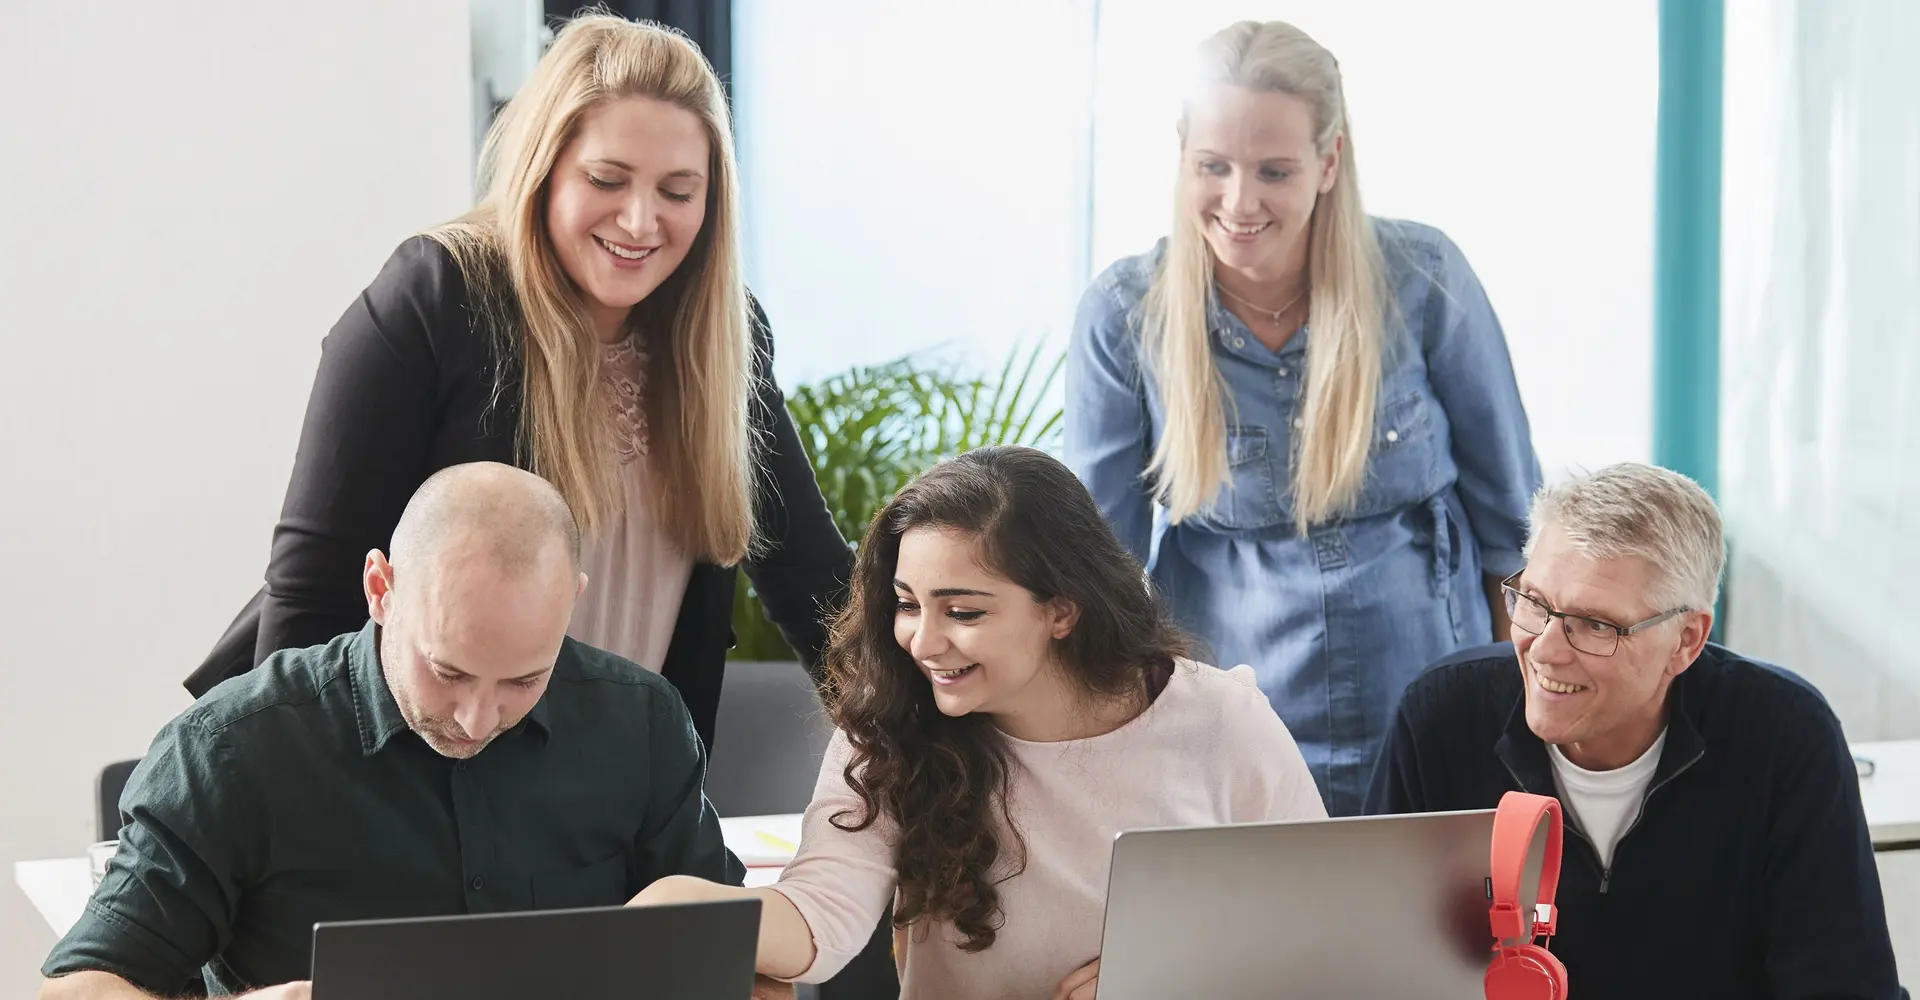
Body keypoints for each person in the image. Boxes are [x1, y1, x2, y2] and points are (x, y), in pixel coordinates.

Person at [184, 12, 851, 752]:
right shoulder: (437, 297)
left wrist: (941, 752)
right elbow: (311, 600)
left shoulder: (725, 334)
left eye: (677, 190)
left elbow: (816, 585)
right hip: (421, 780)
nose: (640, 219)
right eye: (607, 179)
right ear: (544, 168)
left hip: (618, 797)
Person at [627, 446, 1326, 999]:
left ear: (1062, 609)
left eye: (963, 612)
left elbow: (1319, 929)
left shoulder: (1220, 720)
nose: (923, 642)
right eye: (907, 604)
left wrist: (1165, 979)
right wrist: (683, 906)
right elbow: (822, 918)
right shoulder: (891, 726)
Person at [1065, 19, 1542, 816]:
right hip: (1229, 718)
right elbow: (1097, 564)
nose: (1239, 201)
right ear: (1181, 153)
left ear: (1330, 161)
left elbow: (1513, 533)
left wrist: (1519, 717)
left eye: (1274, 170)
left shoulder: (1425, 280)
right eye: (1212, 166)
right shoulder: (1124, 312)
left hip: (1427, 689)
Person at [39, 463, 744, 998]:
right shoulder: (232, 751)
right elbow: (78, 988)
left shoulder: (641, 723)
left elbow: (730, 959)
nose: (478, 719)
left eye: (524, 681)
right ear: (381, 590)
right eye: (450, 671)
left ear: (572, 602)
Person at [1364, 463, 1901, 997]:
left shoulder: (1786, 737)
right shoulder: (1438, 720)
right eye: (1533, 603)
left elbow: (1846, 984)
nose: (1544, 650)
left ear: (1686, 640)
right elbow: (1371, 964)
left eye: (1595, 625)